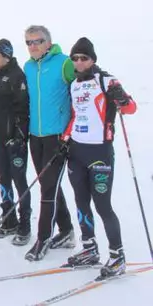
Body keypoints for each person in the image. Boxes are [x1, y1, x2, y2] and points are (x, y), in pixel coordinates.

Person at [60, 38, 137, 278]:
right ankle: (90, 249)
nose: (79, 62)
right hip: (77, 152)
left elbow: (130, 108)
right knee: (81, 202)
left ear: (93, 59)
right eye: (75, 58)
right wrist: (65, 139)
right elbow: (76, 116)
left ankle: (117, 257)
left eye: (84, 58)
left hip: (99, 153)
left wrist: (121, 97)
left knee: (103, 205)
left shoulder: (106, 80)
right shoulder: (73, 84)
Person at [23, 25, 77, 261]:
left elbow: (85, 82)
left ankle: (43, 238)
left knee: (47, 187)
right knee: (50, 184)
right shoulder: (28, 66)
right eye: (28, 42)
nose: (33, 46)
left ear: (48, 42)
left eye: (37, 41)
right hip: (35, 136)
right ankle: (66, 231)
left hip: (57, 136)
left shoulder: (63, 63)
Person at [0, 39, 31, 245]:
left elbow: (23, 110)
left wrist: (19, 136)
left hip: (14, 140)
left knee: (19, 180)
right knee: (3, 178)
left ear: (6, 57)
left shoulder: (17, 76)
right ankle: (9, 218)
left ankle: (25, 223)